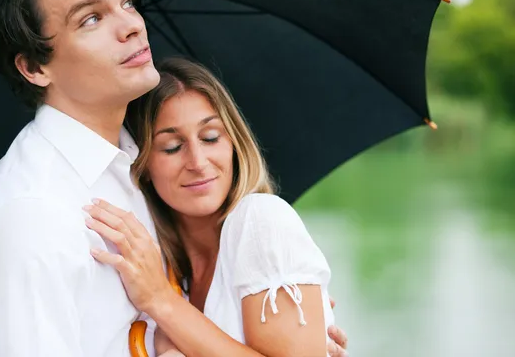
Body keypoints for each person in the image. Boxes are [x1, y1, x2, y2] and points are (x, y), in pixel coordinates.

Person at [0, 0, 349, 356]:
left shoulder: (137, 171)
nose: (131, 26)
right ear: (35, 66)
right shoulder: (28, 214)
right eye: (91, 19)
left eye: (127, 2)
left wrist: (278, 319)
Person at [84, 57, 345, 357]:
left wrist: (162, 302)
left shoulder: (261, 219)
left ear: (234, 142)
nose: (197, 162)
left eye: (210, 137)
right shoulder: (166, 269)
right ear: (142, 164)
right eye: (172, 147)